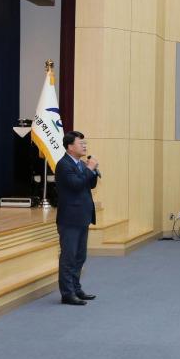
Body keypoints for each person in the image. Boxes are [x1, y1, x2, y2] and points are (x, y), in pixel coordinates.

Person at [55, 131, 99, 306]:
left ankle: (76, 288)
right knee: (69, 257)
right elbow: (76, 185)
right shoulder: (63, 165)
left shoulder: (80, 164)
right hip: (70, 219)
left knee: (80, 256)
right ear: (70, 146)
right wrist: (89, 169)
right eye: (81, 143)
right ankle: (67, 294)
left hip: (82, 217)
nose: (84, 146)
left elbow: (90, 184)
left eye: (85, 143)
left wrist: (93, 171)